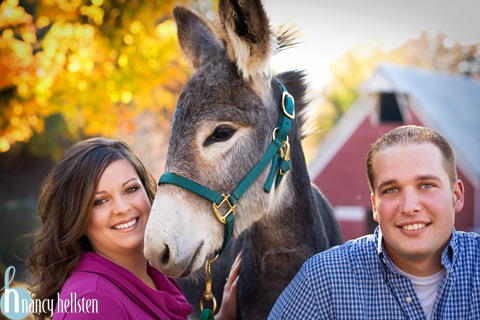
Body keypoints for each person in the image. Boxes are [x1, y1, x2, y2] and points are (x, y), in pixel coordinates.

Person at [268, 125, 480, 319]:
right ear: (375, 207)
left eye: (426, 185)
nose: (409, 207)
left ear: (457, 195)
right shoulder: (323, 280)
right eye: (391, 190)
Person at [27, 137, 240, 320]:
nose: (122, 208)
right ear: (77, 220)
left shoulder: (153, 275)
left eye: (131, 189)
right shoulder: (92, 301)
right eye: (100, 201)